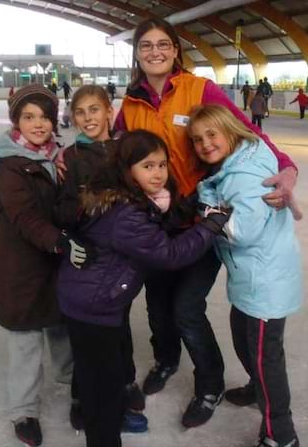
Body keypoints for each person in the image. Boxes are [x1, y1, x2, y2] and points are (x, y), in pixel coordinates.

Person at [113, 17, 298, 428]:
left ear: (176, 50)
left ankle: (209, 383)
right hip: (155, 222)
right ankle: (165, 360)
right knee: (158, 305)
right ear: (137, 53)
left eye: (163, 44)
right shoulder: (129, 105)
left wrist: (287, 167)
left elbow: (245, 131)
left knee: (186, 308)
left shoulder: (199, 89)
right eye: (146, 46)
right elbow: (116, 157)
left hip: (201, 218)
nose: (155, 52)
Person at [57, 129, 231, 447]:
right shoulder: (127, 214)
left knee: (98, 373)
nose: (158, 173)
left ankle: (94, 412)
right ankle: (104, 434)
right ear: (128, 170)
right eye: (147, 166)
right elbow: (169, 253)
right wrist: (211, 225)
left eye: (162, 165)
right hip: (94, 307)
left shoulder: (126, 197)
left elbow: (160, 227)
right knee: (104, 389)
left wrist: (192, 203)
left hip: (93, 299)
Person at [190, 104, 302, 447]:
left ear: (229, 131)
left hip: (264, 282)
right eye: (197, 139)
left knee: (265, 357)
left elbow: (241, 232)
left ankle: (279, 433)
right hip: (253, 277)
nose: (205, 144)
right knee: (243, 339)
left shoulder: (242, 176)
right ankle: (257, 387)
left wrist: (204, 208)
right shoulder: (239, 162)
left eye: (212, 134)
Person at [0, 84, 86, 447]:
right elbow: (23, 216)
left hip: (55, 261)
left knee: (63, 328)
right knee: (26, 338)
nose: (38, 123)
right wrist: (59, 240)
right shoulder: (10, 165)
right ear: (16, 121)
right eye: (28, 117)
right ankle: (24, 410)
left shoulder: (60, 158)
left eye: (44, 116)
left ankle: (75, 388)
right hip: (20, 265)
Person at [56, 85, 148, 433]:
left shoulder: (126, 149)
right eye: (80, 112)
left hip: (122, 257)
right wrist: (85, 202)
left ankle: (124, 382)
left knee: (119, 323)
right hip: (92, 259)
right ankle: (84, 396)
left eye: (94, 110)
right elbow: (62, 210)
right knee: (92, 333)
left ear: (110, 110)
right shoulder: (74, 156)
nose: (87, 118)